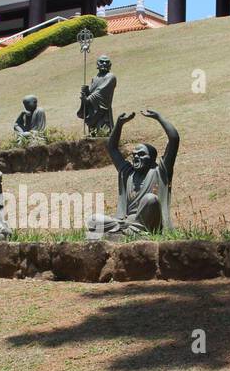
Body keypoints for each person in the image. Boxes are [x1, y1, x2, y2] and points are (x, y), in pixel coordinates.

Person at [87, 109, 179, 237]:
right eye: (134, 155)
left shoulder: (160, 171)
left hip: (149, 222)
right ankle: (127, 228)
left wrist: (158, 117)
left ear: (152, 158)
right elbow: (111, 147)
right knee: (93, 220)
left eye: (141, 154)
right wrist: (119, 124)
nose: (136, 157)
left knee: (150, 199)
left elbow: (174, 139)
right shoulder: (127, 173)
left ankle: (133, 229)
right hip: (125, 222)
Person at [77, 56, 116, 135]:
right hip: (93, 110)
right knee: (93, 132)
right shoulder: (95, 78)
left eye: (107, 62)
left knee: (103, 131)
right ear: (97, 63)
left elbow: (101, 91)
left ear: (110, 64)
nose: (104, 63)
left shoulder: (110, 77)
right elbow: (92, 92)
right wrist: (86, 91)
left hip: (102, 109)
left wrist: (88, 99)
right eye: (101, 61)